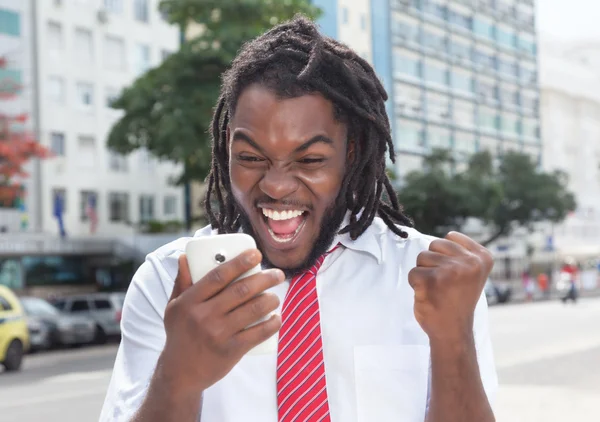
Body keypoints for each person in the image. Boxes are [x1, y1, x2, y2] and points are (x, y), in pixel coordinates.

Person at [100, 16, 497, 422]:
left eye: (309, 160)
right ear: (225, 148)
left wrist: (453, 341)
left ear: (353, 152)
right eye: (251, 158)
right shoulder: (169, 282)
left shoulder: (433, 280)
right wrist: (177, 378)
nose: (275, 186)